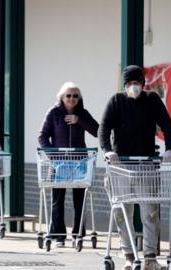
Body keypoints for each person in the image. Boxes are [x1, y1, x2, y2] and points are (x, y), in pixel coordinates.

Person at [99, 65, 171, 270]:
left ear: (143, 83)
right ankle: (129, 255)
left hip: (147, 163)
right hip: (121, 165)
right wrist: (107, 151)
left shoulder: (152, 100)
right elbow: (103, 129)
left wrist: (169, 149)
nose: (134, 86)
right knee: (123, 212)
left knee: (150, 212)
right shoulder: (116, 101)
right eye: (130, 83)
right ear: (125, 85)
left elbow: (168, 126)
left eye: (137, 83)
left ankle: (150, 257)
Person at [38, 82, 99, 248]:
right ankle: (58, 235)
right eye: (68, 95)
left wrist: (79, 121)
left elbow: (97, 131)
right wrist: (54, 154)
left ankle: (78, 234)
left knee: (80, 200)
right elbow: (42, 137)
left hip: (79, 162)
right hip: (59, 163)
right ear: (62, 97)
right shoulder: (54, 113)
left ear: (79, 99)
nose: (72, 99)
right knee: (58, 200)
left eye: (75, 96)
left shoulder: (83, 113)